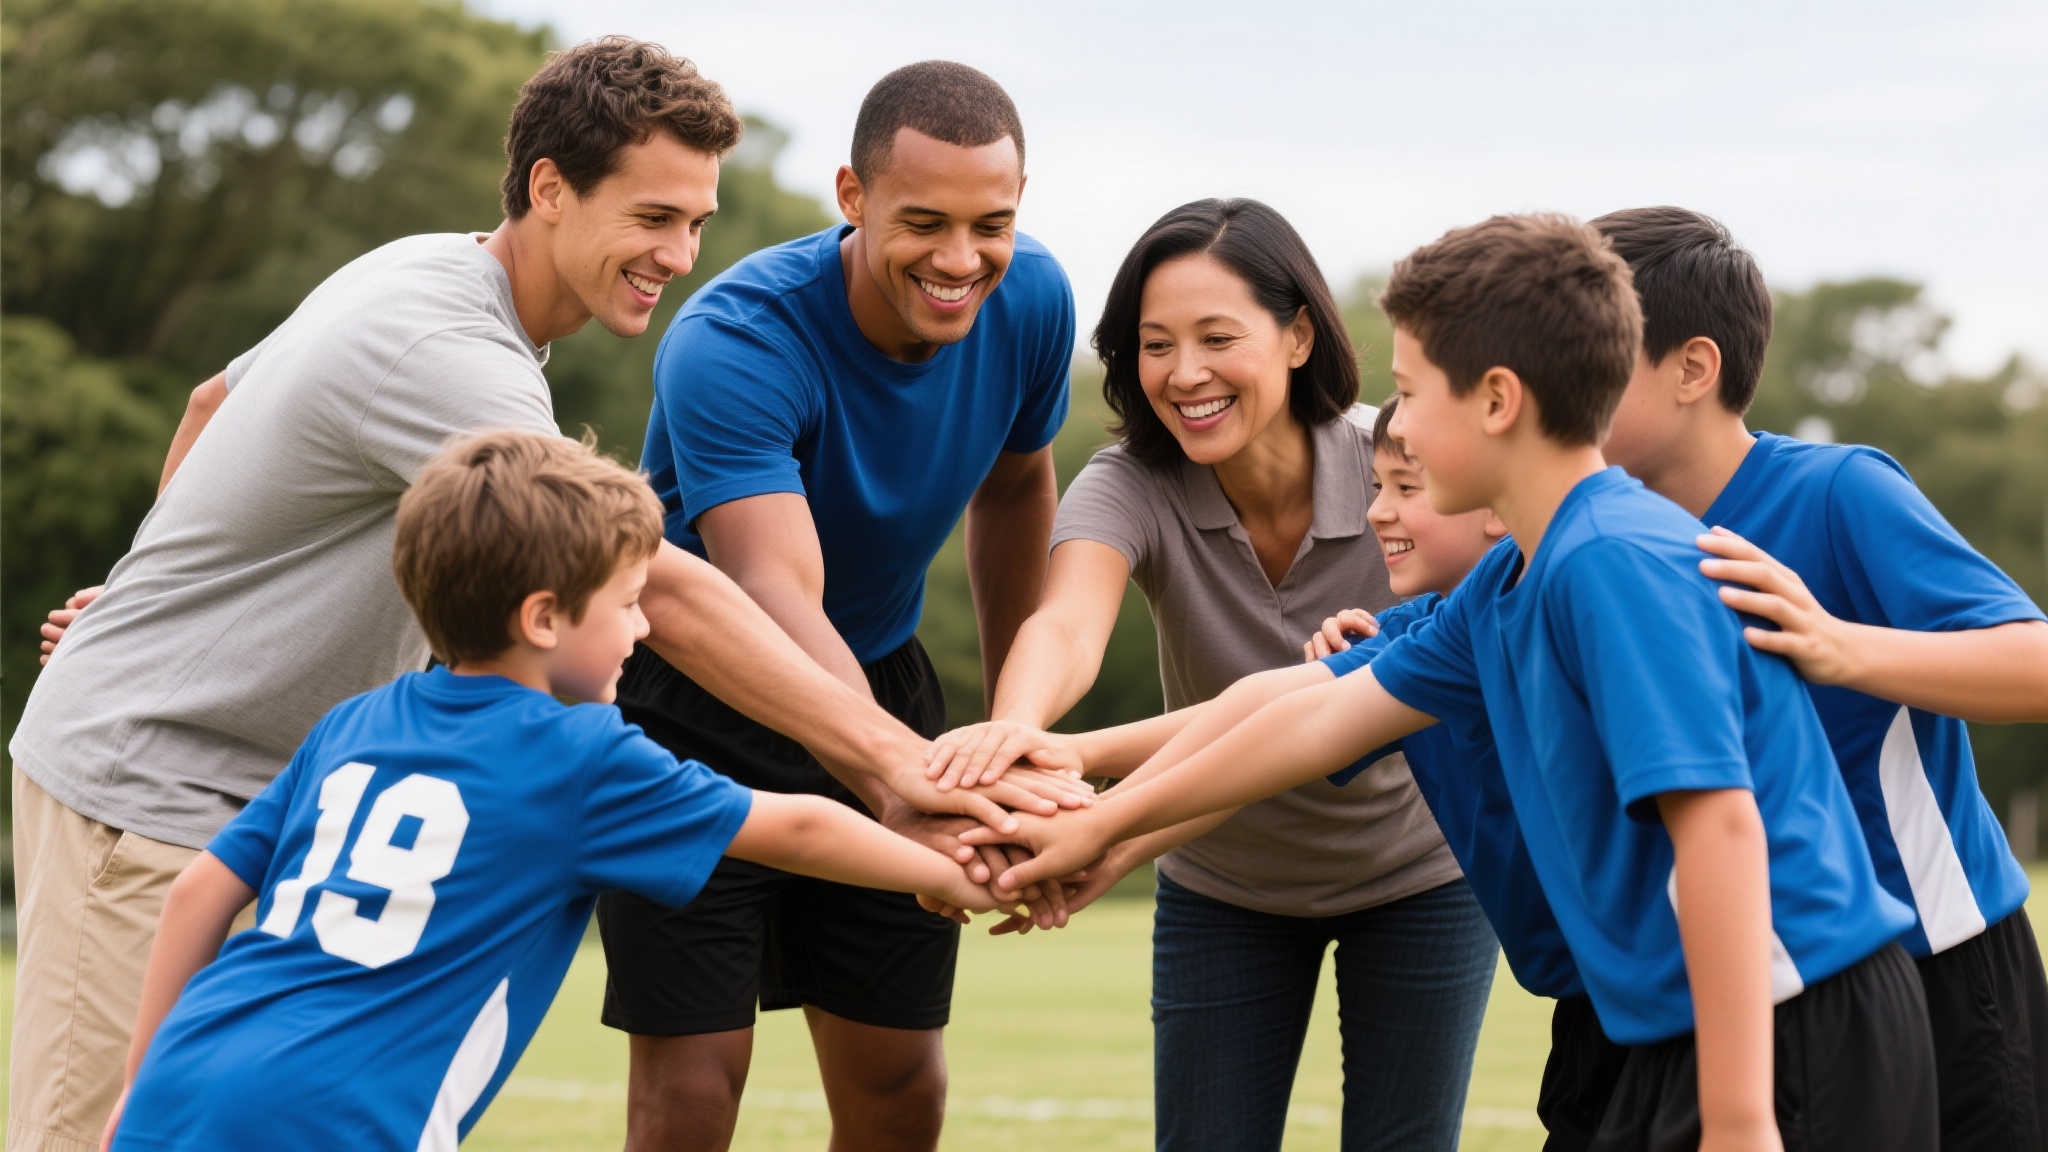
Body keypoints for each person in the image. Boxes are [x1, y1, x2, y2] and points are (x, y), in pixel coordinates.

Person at [10, 39, 1044, 1152]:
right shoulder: (452, 351)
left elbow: (216, 402)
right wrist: (895, 767)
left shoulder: (427, 273)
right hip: (150, 790)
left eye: (694, 222)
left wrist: (141, 595)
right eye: (653, 218)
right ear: (549, 188)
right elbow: (662, 584)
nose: (680, 254)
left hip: (287, 797)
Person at [974, 213, 1939, 1152]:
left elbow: (1720, 828)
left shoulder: (1613, 559)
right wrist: (1097, 818)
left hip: (1788, 1018)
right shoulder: (1511, 577)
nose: (1389, 431)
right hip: (1676, 1023)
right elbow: (1310, 717)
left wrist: (1738, 1121)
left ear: (1498, 400)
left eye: (1411, 393)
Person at [97, 430, 1007, 1152]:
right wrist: (961, 873)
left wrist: (140, 1083)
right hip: (342, 1117)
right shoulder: (579, 754)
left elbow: (199, 892)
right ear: (542, 618)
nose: (645, 626)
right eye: (628, 602)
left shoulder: (355, 721)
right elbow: (801, 827)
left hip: (183, 1079)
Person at [927, 198, 1496, 1152]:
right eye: (1154, 344)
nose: (1184, 373)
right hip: (1223, 887)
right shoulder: (1129, 483)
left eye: (1216, 337)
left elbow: (1335, 712)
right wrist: (1013, 738)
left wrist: (1107, 818)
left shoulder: (1400, 469)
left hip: (1420, 875)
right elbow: (1068, 622)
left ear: (1300, 334)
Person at [593, 61, 1075, 1152]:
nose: (960, 261)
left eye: (989, 224)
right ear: (851, 196)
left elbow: (1014, 484)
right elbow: (772, 589)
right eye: (923, 223)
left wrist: (1011, 728)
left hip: (884, 673)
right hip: (695, 701)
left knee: (902, 1083)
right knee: (693, 1089)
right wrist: (893, 777)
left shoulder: (1034, 298)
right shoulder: (736, 338)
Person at [1591, 205, 2048, 1150]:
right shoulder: (1603, 543)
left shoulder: (1840, 491)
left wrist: (1844, 647)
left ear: (1693, 368)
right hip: (1752, 991)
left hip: (1940, 971)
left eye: (1596, 352)